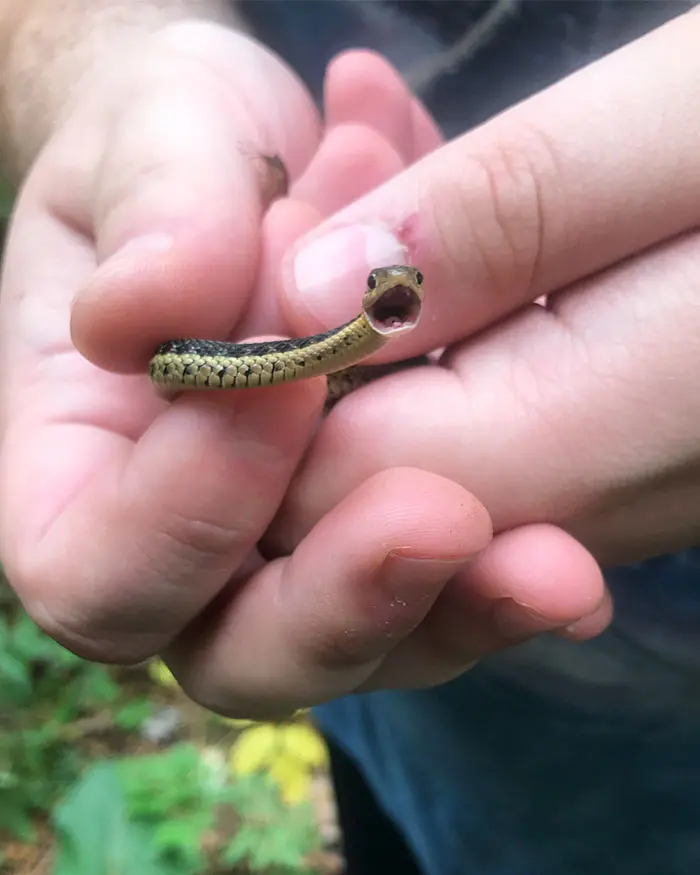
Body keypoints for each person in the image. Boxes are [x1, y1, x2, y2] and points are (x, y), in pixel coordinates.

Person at [1, 1, 700, 873]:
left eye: (402, 289)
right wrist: (106, 75)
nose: (401, 290)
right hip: (391, 672)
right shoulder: (344, 341)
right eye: (390, 287)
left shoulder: (362, 340)